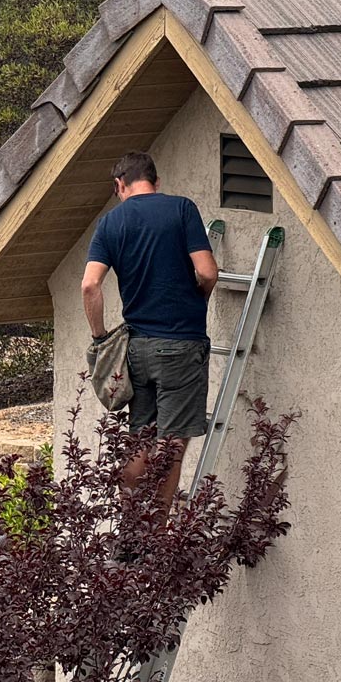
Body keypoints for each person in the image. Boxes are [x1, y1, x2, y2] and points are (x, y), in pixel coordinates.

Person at [81, 150, 218, 510]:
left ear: (119, 185)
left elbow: (90, 286)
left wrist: (100, 337)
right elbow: (207, 272)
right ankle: (156, 533)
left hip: (137, 349)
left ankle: (132, 527)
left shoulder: (110, 224)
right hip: (181, 345)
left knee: (140, 439)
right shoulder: (182, 209)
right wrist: (196, 299)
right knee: (172, 443)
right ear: (156, 183)